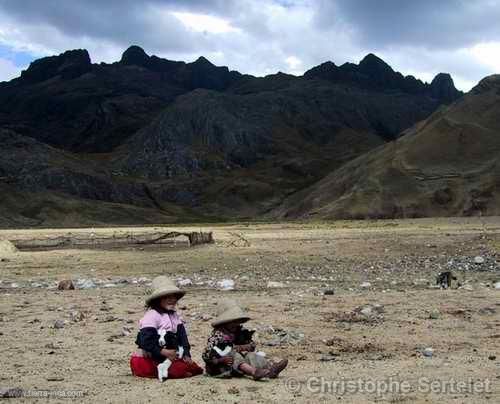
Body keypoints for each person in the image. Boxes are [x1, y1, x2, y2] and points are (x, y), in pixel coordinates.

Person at [130, 276, 203, 380]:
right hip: (154, 356)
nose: (172, 300)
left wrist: (186, 354)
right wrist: (164, 352)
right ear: (157, 300)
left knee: (195, 369)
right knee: (179, 371)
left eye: (173, 297)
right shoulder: (152, 316)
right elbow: (146, 341)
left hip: (171, 355)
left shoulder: (174, 316)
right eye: (166, 297)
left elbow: (183, 337)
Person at [202, 298, 288, 380]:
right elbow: (206, 355)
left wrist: (247, 346)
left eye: (237, 321)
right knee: (234, 355)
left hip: (236, 365)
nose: (235, 324)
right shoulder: (217, 335)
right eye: (232, 322)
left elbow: (251, 345)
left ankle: (270, 369)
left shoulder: (240, 331)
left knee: (251, 356)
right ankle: (254, 372)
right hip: (220, 367)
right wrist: (220, 360)